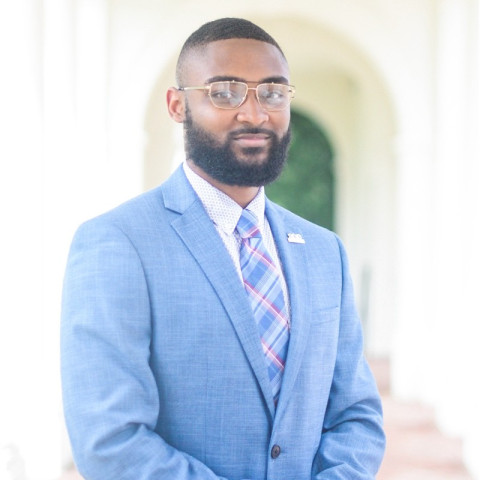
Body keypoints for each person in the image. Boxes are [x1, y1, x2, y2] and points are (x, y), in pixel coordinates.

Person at [61, 17, 385, 480]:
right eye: (224, 92)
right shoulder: (117, 243)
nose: (254, 114)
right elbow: (109, 441)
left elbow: (356, 416)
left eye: (273, 92)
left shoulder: (323, 251)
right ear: (177, 105)